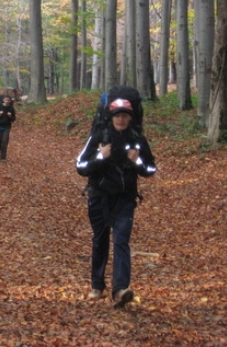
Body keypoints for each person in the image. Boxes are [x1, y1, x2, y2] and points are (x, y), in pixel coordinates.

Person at [76, 97, 157, 308]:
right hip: (99, 197)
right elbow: (81, 167)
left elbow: (150, 170)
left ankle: (120, 290)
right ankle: (97, 285)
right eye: (118, 115)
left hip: (125, 198)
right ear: (111, 117)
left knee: (121, 241)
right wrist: (101, 157)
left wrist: (136, 160)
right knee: (100, 239)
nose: (121, 119)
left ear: (130, 118)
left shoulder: (138, 139)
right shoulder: (98, 137)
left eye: (125, 116)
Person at [0, 95, 15, 161]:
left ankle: (3, 157)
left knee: (5, 142)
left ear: (10, 101)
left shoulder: (11, 108)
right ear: (3, 100)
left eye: (8, 100)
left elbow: (13, 119)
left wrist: (10, 116)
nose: (7, 101)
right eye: (6, 100)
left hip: (7, 127)